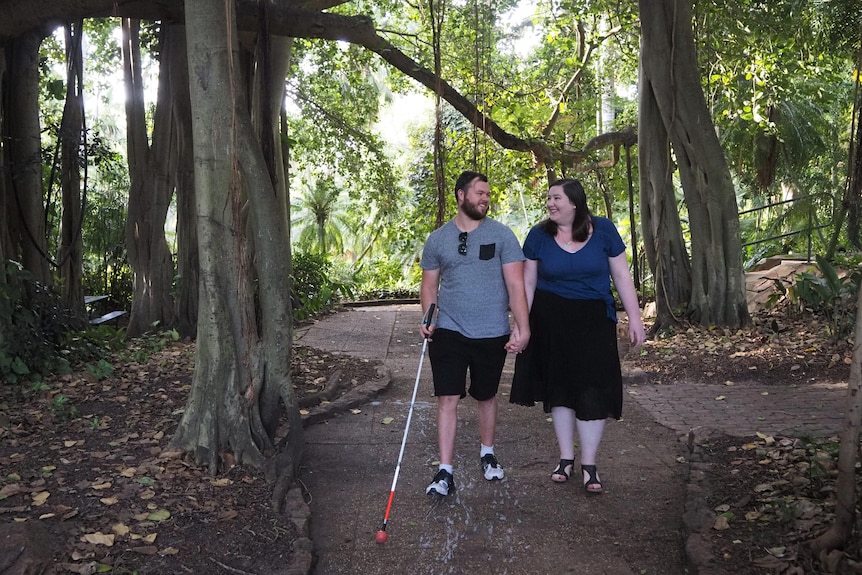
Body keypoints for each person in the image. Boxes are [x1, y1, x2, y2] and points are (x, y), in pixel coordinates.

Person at [510, 178, 645, 494]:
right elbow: (527, 285)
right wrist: (521, 325)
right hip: (550, 320)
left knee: (592, 389)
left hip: (593, 320)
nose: (550, 204)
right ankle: (565, 458)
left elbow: (621, 276)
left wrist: (635, 318)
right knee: (559, 388)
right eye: (548, 199)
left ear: (574, 202)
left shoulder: (604, 230)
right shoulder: (539, 236)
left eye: (556, 198)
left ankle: (590, 464)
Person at [419, 170, 531, 497]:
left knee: (485, 395)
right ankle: (445, 470)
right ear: (461, 195)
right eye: (479, 193)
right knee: (448, 397)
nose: (485, 198)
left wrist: (523, 327)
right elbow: (429, 285)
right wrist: (428, 316)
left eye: (487, 194)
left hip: (492, 332)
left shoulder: (503, 236)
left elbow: (516, 285)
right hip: (449, 330)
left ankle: (487, 452)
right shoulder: (438, 239)